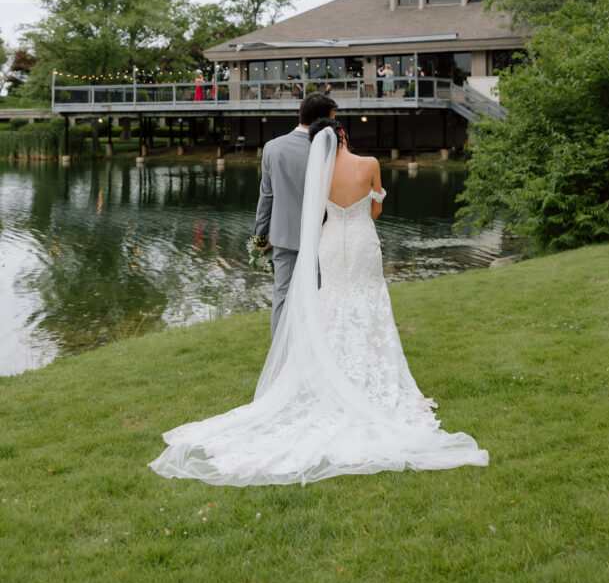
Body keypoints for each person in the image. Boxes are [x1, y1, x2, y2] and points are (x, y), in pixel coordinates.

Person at [148, 119, 488, 486]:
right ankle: (370, 376)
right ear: (342, 135)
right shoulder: (370, 163)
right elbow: (376, 210)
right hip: (360, 241)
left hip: (330, 242)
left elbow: (318, 213)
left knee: (334, 301)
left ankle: (330, 372)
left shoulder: (318, 173)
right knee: (367, 301)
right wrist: (356, 215)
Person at [254, 92, 336, 337]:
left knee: (282, 296)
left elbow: (266, 197)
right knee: (319, 294)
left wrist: (260, 235)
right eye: (332, 119)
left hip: (284, 235)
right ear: (321, 119)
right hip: (321, 237)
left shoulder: (272, 147)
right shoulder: (328, 148)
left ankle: (280, 354)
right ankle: (314, 348)